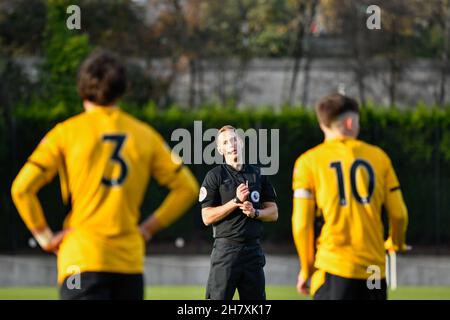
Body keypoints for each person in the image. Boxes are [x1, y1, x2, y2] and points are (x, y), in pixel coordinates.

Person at [10, 50, 199, 300]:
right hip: (128, 264)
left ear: (81, 88)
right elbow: (187, 188)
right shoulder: (145, 135)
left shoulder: (65, 133)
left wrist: (45, 237)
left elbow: (21, 188)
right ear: (122, 89)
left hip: (82, 258)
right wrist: (148, 229)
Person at [291, 93, 409, 300]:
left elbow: (301, 225)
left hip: (333, 267)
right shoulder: (379, 158)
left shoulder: (308, 162)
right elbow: (399, 215)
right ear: (349, 122)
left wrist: (306, 269)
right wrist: (395, 243)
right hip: (374, 270)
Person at [199, 125, 278, 300]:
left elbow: (273, 212)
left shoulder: (258, 174)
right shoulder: (215, 176)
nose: (231, 144)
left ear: (241, 142)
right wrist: (235, 201)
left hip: (253, 251)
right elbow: (206, 217)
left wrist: (255, 212)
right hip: (226, 251)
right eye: (226, 142)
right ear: (221, 149)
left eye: (234, 139)